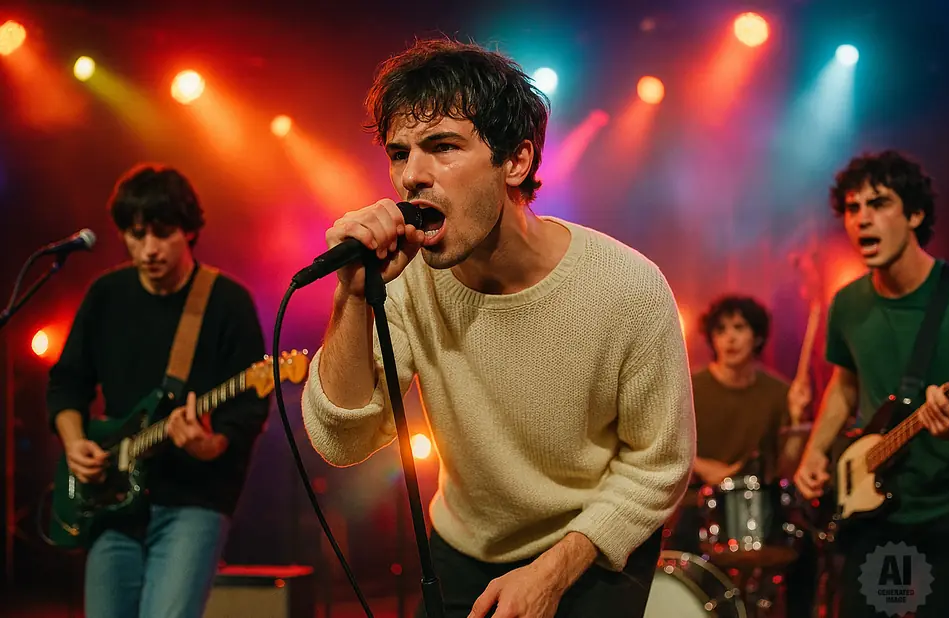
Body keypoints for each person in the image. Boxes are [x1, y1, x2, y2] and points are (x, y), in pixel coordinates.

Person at [300, 39, 695, 618]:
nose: (411, 176)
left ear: (517, 161)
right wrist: (354, 297)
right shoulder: (407, 280)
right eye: (400, 152)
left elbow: (658, 466)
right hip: (464, 550)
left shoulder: (626, 288)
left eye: (443, 147)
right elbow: (341, 441)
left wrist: (554, 570)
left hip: (593, 549)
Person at [46, 164, 270, 618]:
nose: (147, 249)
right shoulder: (106, 295)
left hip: (194, 500)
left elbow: (249, 409)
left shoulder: (227, 302)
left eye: (162, 233)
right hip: (111, 497)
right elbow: (67, 382)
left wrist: (208, 445)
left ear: (189, 231)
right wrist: (75, 445)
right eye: (135, 234)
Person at [793, 150, 949, 618]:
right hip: (874, 510)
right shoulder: (846, 304)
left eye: (879, 203)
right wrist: (815, 454)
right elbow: (845, 387)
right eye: (852, 208)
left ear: (915, 214)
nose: (862, 219)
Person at [665, 295, 814, 613]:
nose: (729, 338)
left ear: (758, 336)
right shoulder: (690, 387)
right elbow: (665, 447)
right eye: (720, 330)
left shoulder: (780, 393)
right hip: (699, 505)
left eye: (739, 328)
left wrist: (799, 421)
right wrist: (704, 467)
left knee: (806, 549)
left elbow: (787, 466)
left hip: (758, 509)